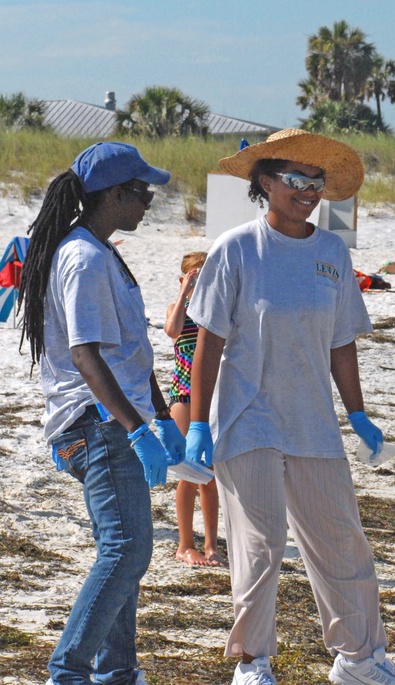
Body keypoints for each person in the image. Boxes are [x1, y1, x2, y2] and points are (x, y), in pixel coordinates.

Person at [183, 129, 395, 685]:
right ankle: (252, 662)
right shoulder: (236, 248)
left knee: (343, 542)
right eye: (296, 179)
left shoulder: (332, 252)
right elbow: (207, 343)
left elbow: (341, 342)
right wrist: (197, 425)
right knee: (261, 545)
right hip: (248, 421)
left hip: (313, 422)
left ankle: (360, 659)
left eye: (317, 182)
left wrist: (358, 414)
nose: (309, 190)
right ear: (265, 183)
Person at [17, 142, 181, 685]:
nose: (150, 201)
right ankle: (67, 672)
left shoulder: (103, 252)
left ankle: (118, 672)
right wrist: (137, 431)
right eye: (142, 191)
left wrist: (160, 416)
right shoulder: (83, 257)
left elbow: (130, 351)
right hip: (97, 426)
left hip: (117, 422)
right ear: (113, 194)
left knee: (126, 555)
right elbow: (86, 355)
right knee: (128, 549)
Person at [163, 251, 223, 567]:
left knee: (210, 475)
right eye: (196, 276)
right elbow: (171, 331)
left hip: (212, 395)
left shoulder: (216, 308)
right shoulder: (180, 310)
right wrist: (185, 291)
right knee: (189, 473)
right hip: (183, 396)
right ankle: (185, 544)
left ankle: (211, 544)